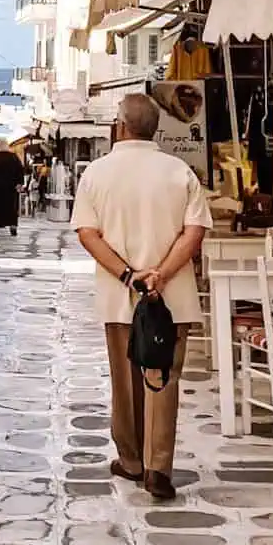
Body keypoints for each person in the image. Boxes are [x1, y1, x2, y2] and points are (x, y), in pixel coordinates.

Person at [71, 91, 212, 503]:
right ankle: (158, 466)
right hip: (172, 296)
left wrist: (129, 276)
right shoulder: (179, 171)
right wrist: (162, 275)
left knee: (125, 379)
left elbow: (88, 234)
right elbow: (194, 231)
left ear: (120, 125)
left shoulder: (97, 173)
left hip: (121, 295)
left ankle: (131, 459)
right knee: (162, 379)